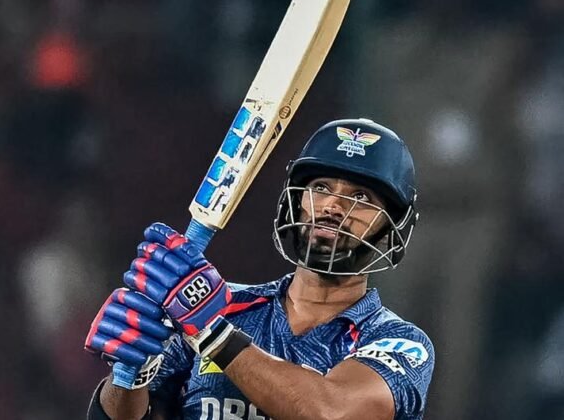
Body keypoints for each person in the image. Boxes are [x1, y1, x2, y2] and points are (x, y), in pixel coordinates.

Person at [84, 119, 435, 419]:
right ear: (295, 201)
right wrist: (131, 372)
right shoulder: (221, 306)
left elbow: (331, 411)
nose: (332, 206)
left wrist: (211, 332)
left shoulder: (400, 343)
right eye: (320, 187)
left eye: (360, 198)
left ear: (391, 227)